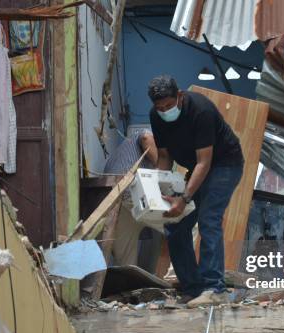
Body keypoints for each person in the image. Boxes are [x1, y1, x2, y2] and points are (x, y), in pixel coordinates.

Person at [147, 75, 244, 307]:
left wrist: (184, 197)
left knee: (209, 218)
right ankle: (193, 289)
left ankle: (215, 289)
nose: (164, 111)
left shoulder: (201, 110)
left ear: (179, 96)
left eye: (169, 105)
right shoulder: (156, 117)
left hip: (224, 164)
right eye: (160, 108)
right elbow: (164, 156)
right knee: (175, 224)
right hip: (199, 167)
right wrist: (159, 189)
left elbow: (204, 162)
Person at [103, 128, 158, 266]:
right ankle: (170, 273)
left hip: (114, 200)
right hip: (129, 194)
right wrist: (159, 163)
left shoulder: (122, 149)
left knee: (125, 257)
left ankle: (129, 281)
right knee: (181, 222)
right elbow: (146, 138)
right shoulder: (144, 134)